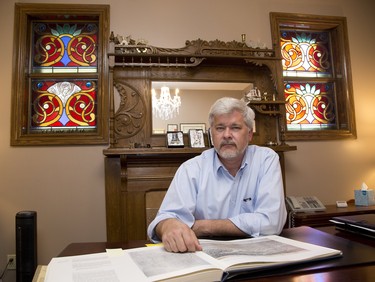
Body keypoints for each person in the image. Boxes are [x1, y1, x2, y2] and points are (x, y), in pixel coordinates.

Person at [147, 97, 287, 253]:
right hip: (202, 255)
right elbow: (163, 219)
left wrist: (203, 226)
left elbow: (271, 222)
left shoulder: (266, 160)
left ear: (249, 134)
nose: (227, 135)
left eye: (235, 127)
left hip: (259, 255)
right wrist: (169, 225)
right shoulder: (191, 169)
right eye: (220, 128)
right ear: (211, 134)